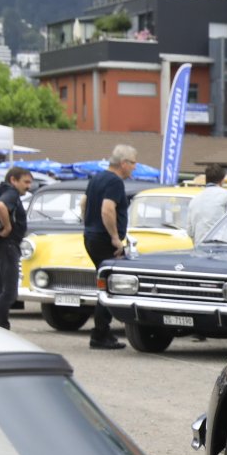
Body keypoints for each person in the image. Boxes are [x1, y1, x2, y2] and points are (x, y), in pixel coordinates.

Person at [82, 145, 137, 350]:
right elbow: (107, 209)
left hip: (91, 236)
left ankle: (101, 331)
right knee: (109, 284)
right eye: (133, 163)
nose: (134, 167)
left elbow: (83, 203)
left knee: (105, 282)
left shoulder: (97, 178)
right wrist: (115, 237)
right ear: (123, 163)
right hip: (104, 239)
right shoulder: (115, 181)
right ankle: (100, 333)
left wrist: (89, 224)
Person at [0, 167, 33, 329]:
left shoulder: (2, 190)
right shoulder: (11, 193)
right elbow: (0, 205)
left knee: (2, 289)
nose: (28, 186)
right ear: (13, 180)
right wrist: (8, 227)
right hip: (7, 246)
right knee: (10, 292)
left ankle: (2, 325)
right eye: (25, 182)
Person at [186, 164, 227, 243]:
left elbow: (189, 231)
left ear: (206, 179)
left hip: (200, 246)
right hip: (220, 245)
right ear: (222, 180)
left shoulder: (195, 199)